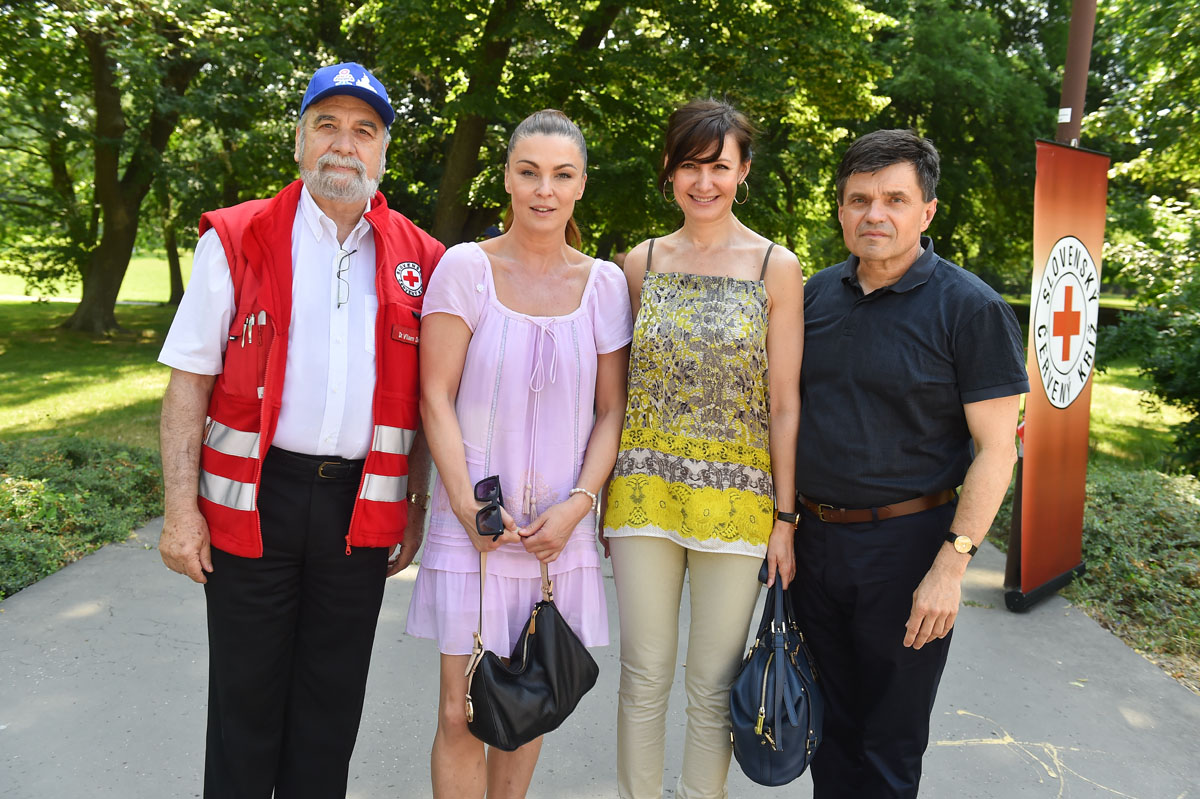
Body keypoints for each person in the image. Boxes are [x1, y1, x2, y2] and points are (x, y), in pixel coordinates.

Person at [156, 63, 445, 798]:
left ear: (383, 153)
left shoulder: (423, 258)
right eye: (327, 125)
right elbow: (189, 380)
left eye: (364, 130)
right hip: (254, 506)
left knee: (330, 713)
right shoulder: (238, 236)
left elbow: (424, 400)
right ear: (299, 141)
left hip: (359, 513)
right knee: (245, 708)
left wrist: (413, 504)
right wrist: (180, 511)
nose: (344, 144)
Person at [793, 129, 1028, 798]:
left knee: (889, 744)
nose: (875, 214)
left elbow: (997, 449)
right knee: (827, 731)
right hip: (815, 543)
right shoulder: (813, 296)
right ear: (841, 210)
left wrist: (951, 568)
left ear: (927, 211)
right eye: (859, 199)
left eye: (894, 199)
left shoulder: (971, 309)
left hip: (909, 549)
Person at [405, 109, 633, 799]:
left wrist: (579, 506)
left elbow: (612, 410)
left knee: (528, 705)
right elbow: (435, 395)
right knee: (461, 712)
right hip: (474, 527)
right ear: (506, 176)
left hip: (555, 533)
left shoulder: (605, 284)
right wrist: (469, 504)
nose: (544, 189)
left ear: (581, 185)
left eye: (562, 175)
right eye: (529, 172)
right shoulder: (465, 268)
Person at [601, 99, 805, 799]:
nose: (704, 181)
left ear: (743, 171)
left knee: (713, 686)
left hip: (739, 505)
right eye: (690, 165)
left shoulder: (776, 266)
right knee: (643, 675)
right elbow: (617, 394)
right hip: (643, 496)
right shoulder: (640, 263)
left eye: (719, 166)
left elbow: (784, 403)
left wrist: (786, 518)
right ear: (669, 168)